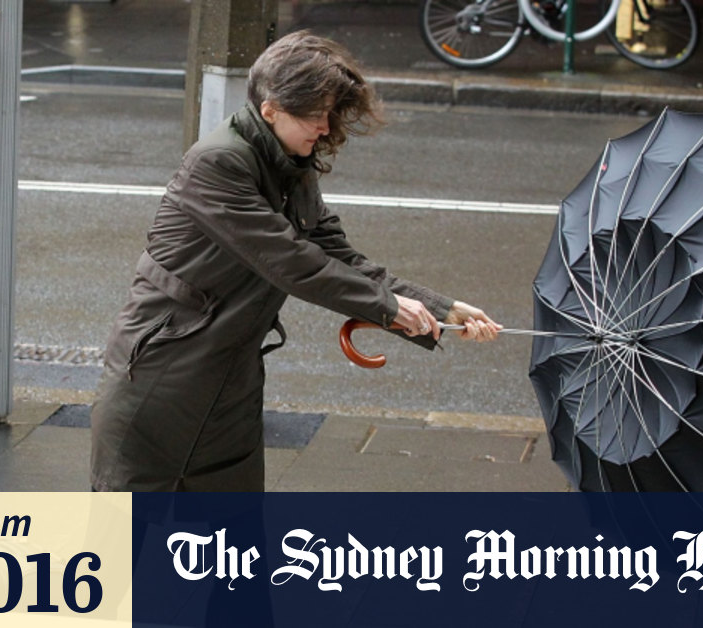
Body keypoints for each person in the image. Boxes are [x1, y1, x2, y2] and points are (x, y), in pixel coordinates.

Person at [90, 30, 501, 492]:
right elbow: (290, 260)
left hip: (233, 378)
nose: (325, 127)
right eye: (317, 114)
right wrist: (387, 309)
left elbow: (335, 253)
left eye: (330, 113)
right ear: (271, 110)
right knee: (121, 542)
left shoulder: (289, 161)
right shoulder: (218, 163)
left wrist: (439, 307)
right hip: (162, 373)